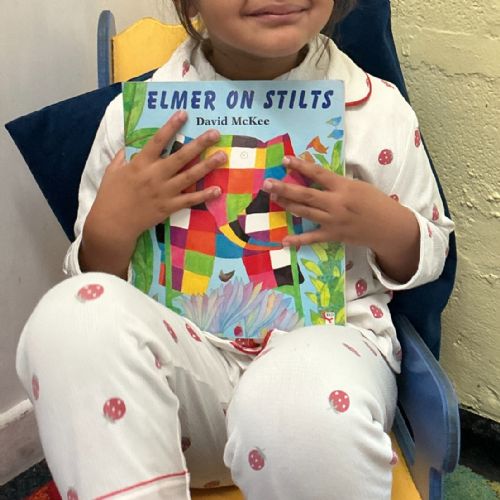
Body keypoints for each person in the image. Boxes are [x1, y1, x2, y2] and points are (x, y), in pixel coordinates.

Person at [16, 1, 454, 499]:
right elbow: (95, 280)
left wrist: (384, 225)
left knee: (296, 395)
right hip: (178, 407)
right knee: (69, 316)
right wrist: (110, 230)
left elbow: (431, 252)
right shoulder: (136, 120)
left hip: (323, 392)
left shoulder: (378, 112)